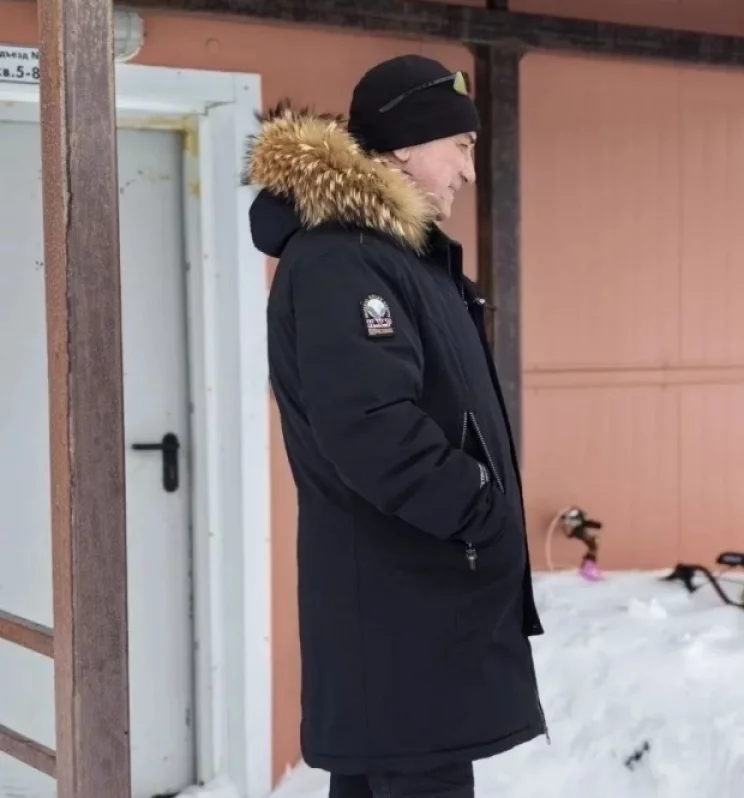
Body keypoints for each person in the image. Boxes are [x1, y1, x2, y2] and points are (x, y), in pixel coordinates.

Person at [244, 55, 546, 798]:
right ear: (406, 146)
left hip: (410, 607)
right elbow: (372, 428)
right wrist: (482, 510)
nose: (468, 171)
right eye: (461, 146)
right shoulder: (345, 261)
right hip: (398, 610)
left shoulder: (392, 256)